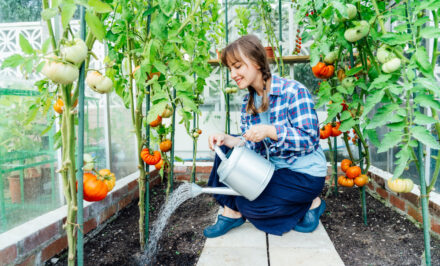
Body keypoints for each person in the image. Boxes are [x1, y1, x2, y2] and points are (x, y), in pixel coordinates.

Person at [204, 35, 328, 238]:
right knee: (225, 149)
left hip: (304, 174)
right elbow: (250, 146)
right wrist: (228, 139)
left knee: (251, 205)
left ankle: (312, 203)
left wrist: (271, 131)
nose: (233, 74)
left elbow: (310, 139)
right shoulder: (249, 102)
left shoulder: (293, 91)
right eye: (230, 69)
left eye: (238, 66)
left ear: (257, 62)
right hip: (273, 171)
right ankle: (232, 212)